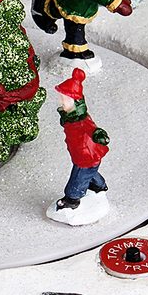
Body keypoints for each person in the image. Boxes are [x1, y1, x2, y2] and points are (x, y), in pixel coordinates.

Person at [46, 67, 111, 226]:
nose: (62, 102)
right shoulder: (71, 117)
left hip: (86, 157)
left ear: (75, 101)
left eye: (65, 99)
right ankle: (99, 185)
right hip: (81, 155)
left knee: (77, 179)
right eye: (62, 99)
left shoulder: (82, 120)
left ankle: (72, 199)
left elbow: (92, 128)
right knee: (89, 173)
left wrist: (99, 135)